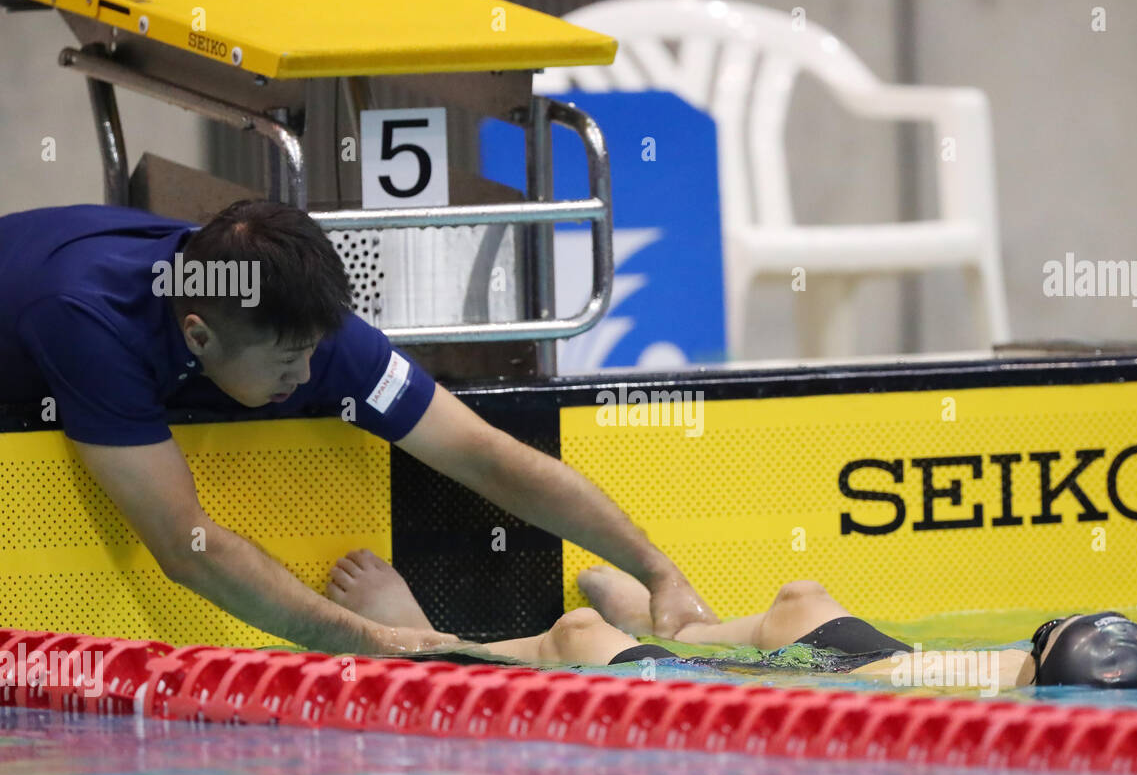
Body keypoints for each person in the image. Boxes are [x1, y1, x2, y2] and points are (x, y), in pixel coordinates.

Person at [0, 201, 717, 653]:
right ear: (198, 338)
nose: (311, 378)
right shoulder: (90, 326)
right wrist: (378, 641)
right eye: (288, 361)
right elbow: (189, 549)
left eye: (315, 351)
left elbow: (486, 457)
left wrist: (657, 570)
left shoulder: (300, 324)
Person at [329, 555, 1137, 690]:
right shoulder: (1108, 672)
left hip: (823, 696)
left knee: (580, 638)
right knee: (801, 601)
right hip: (870, 668)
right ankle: (685, 627)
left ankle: (419, 641)